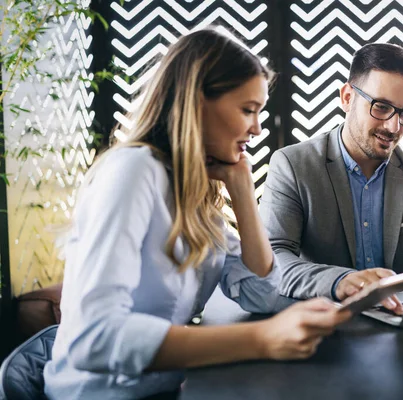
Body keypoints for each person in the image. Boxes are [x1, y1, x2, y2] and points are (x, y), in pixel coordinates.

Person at [43, 28, 350, 400]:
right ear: (197, 102)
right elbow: (92, 338)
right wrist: (259, 339)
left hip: (167, 388)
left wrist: (242, 191)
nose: (256, 128)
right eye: (248, 110)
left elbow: (263, 293)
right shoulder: (133, 171)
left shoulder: (196, 193)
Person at [259, 43, 403, 315]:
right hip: (323, 328)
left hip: (398, 325)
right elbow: (272, 259)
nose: (394, 127)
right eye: (381, 107)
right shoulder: (293, 165)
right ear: (346, 98)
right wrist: (340, 280)